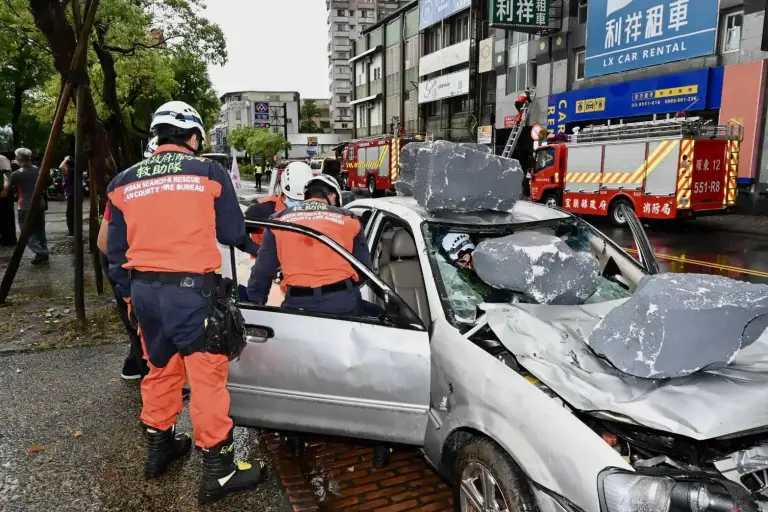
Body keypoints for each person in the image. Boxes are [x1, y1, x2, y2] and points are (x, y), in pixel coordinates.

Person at [106, 100, 264, 504]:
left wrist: (128, 295)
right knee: (208, 379)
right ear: (193, 136)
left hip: (144, 294)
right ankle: (220, 471)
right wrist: (256, 248)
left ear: (157, 135)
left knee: (159, 369)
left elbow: (115, 249)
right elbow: (232, 231)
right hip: (192, 294)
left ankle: (159, 450)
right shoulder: (209, 172)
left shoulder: (122, 181)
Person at [247, 173, 374, 316]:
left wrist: (255, 305)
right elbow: (364, 269)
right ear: (332, 197)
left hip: (297, 304)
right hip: (342, 303)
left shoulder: (278, 220)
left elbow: (262, 271)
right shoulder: (349, 218)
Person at [1, 148, 49, 264]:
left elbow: (6, 190)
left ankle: (41, 252)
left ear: (18, 159)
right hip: (40, 204)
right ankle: (42, 253)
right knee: (40, 230)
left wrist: (7, 176)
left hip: (25, 206)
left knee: (26, 232)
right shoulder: (38, 170)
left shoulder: (16, 174)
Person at [59, 156, 78, 236]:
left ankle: (72, 231)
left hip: (72, 195)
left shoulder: (71, 171)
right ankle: (74, 230)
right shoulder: (73, 171)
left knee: (70, 213)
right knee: (73, 213)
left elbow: (60, 167)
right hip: (74, 194)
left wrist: (65, 159)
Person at [0, 155, 16, 246]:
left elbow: (9, 176)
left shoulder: (1, 159)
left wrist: (5, 189)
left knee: (6, 216)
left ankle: (9, 239)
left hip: (4, 191)